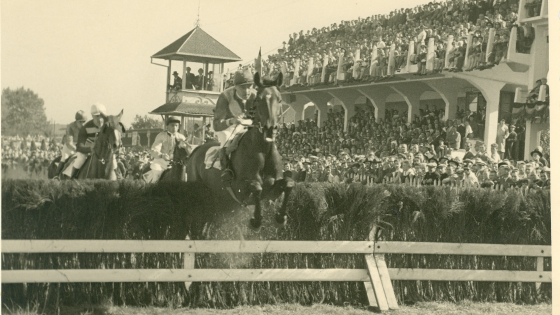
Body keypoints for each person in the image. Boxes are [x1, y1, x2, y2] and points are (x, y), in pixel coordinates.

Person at [213, 69, 256, 181]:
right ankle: (226, 169)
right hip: (228, 127)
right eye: (243, 87)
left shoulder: (255, 95)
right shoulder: (225, 96)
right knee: (227, 139)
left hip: (249, 125)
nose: (247, 91)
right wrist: (231, 121)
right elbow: (217, 124)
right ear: (235, 86)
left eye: (249, 86)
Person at [62, 103, 107, 178]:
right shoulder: (85, 128)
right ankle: (72, 178)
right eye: (96, 116)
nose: (99, 119)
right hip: (88, 150)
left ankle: (120, 178)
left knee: (115, 159)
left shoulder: (109, 126)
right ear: (92, 116)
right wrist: (90, 149)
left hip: (104, 151)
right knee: (81, 158)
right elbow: (79, 146)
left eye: (101, 116)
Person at [143, 116, 186, 183]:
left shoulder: (182, 137)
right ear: (167, 126)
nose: (174, 127)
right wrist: (161, 155)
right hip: (161, 162)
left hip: (175, 163)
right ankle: (152, 189)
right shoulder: (161, 135)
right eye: (172, 125)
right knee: (157, 174)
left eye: (176, 125)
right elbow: (154, 149)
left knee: (185, 176)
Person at [54, 110, 88, 176]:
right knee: (65, 157)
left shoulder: (87, 127)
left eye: (84, 121)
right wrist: (79, 149)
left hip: (81, 146)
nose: (83, 124)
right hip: (70, 147)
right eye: (81, 122)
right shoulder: (70, 126)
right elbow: (69, 143)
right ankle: (57, 175)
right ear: (76, 121)